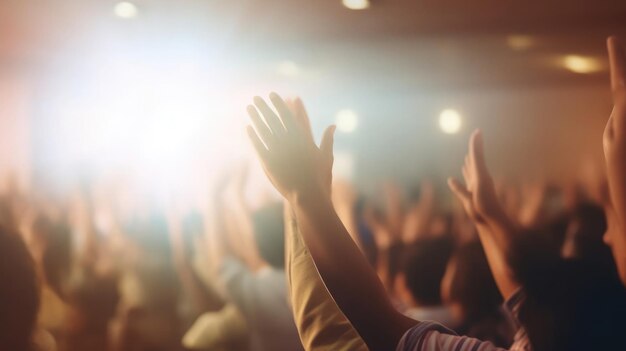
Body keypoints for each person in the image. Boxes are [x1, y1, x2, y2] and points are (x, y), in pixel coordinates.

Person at [245, 93, 527, 351]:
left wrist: (305, 193)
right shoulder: (541, 331)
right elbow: (525, 305)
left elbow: (372, 324)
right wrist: (488, 219)